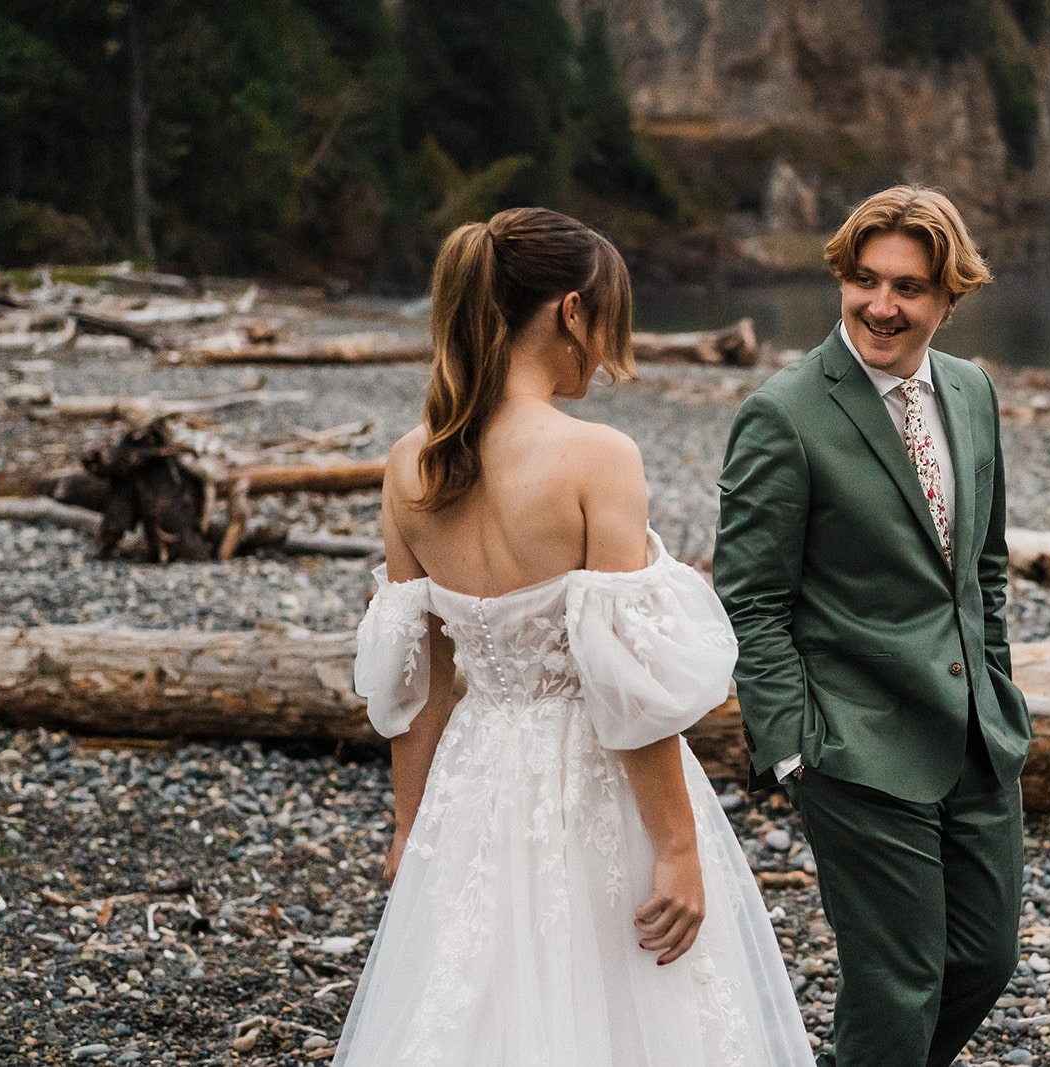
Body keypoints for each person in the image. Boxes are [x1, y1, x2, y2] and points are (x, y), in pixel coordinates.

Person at [334, 207, 814, 1066]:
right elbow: (621, 683)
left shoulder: (412, 463)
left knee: (476, 998)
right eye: (607, 317)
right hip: (595, 783)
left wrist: (411, 826)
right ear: (569, 310)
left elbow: (418, 679)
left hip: (472, 784)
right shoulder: (597, 457)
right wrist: (674, 847)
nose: (607, 342)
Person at [713, 186, 1030, 1067]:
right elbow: (750, 598)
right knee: (898, 981)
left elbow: (985, 564)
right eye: (864, 280)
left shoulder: (971, 391)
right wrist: (792, 746)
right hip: (854, 743)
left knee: (985, 956)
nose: (882, 305)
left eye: (909, 287)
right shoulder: (785, 413)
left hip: (977, 734)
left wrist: (994, 678)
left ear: (949, 298)